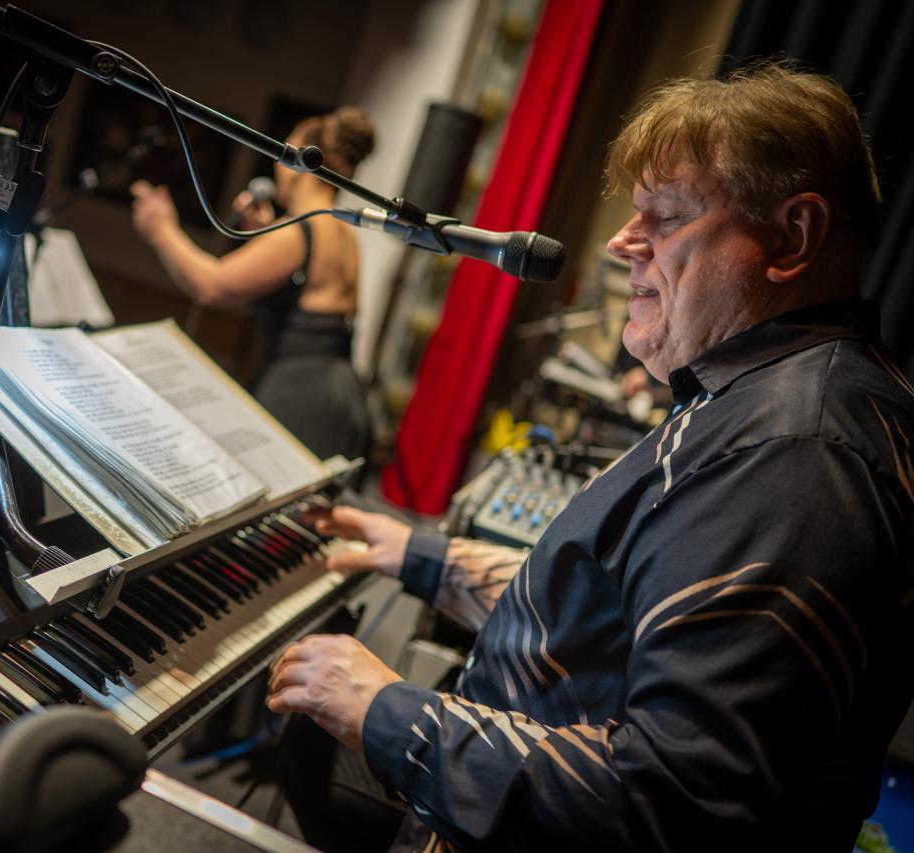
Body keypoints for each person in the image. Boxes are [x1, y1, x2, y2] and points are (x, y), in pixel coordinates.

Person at [266, 62, 914, 851]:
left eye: (664, 216)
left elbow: (670, 801)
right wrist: (422, 555)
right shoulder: (763, 396)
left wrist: (390, 711)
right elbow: (619, 619)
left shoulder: (797, 455)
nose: (621, 243)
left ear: (791, 237)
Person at [129, 106, 376, 462]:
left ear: (299, 161)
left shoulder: (299, 231)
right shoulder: (342, 230)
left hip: (301, 393)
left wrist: (161, 230)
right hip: (337, 391)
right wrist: (263, 233)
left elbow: (211, 285)